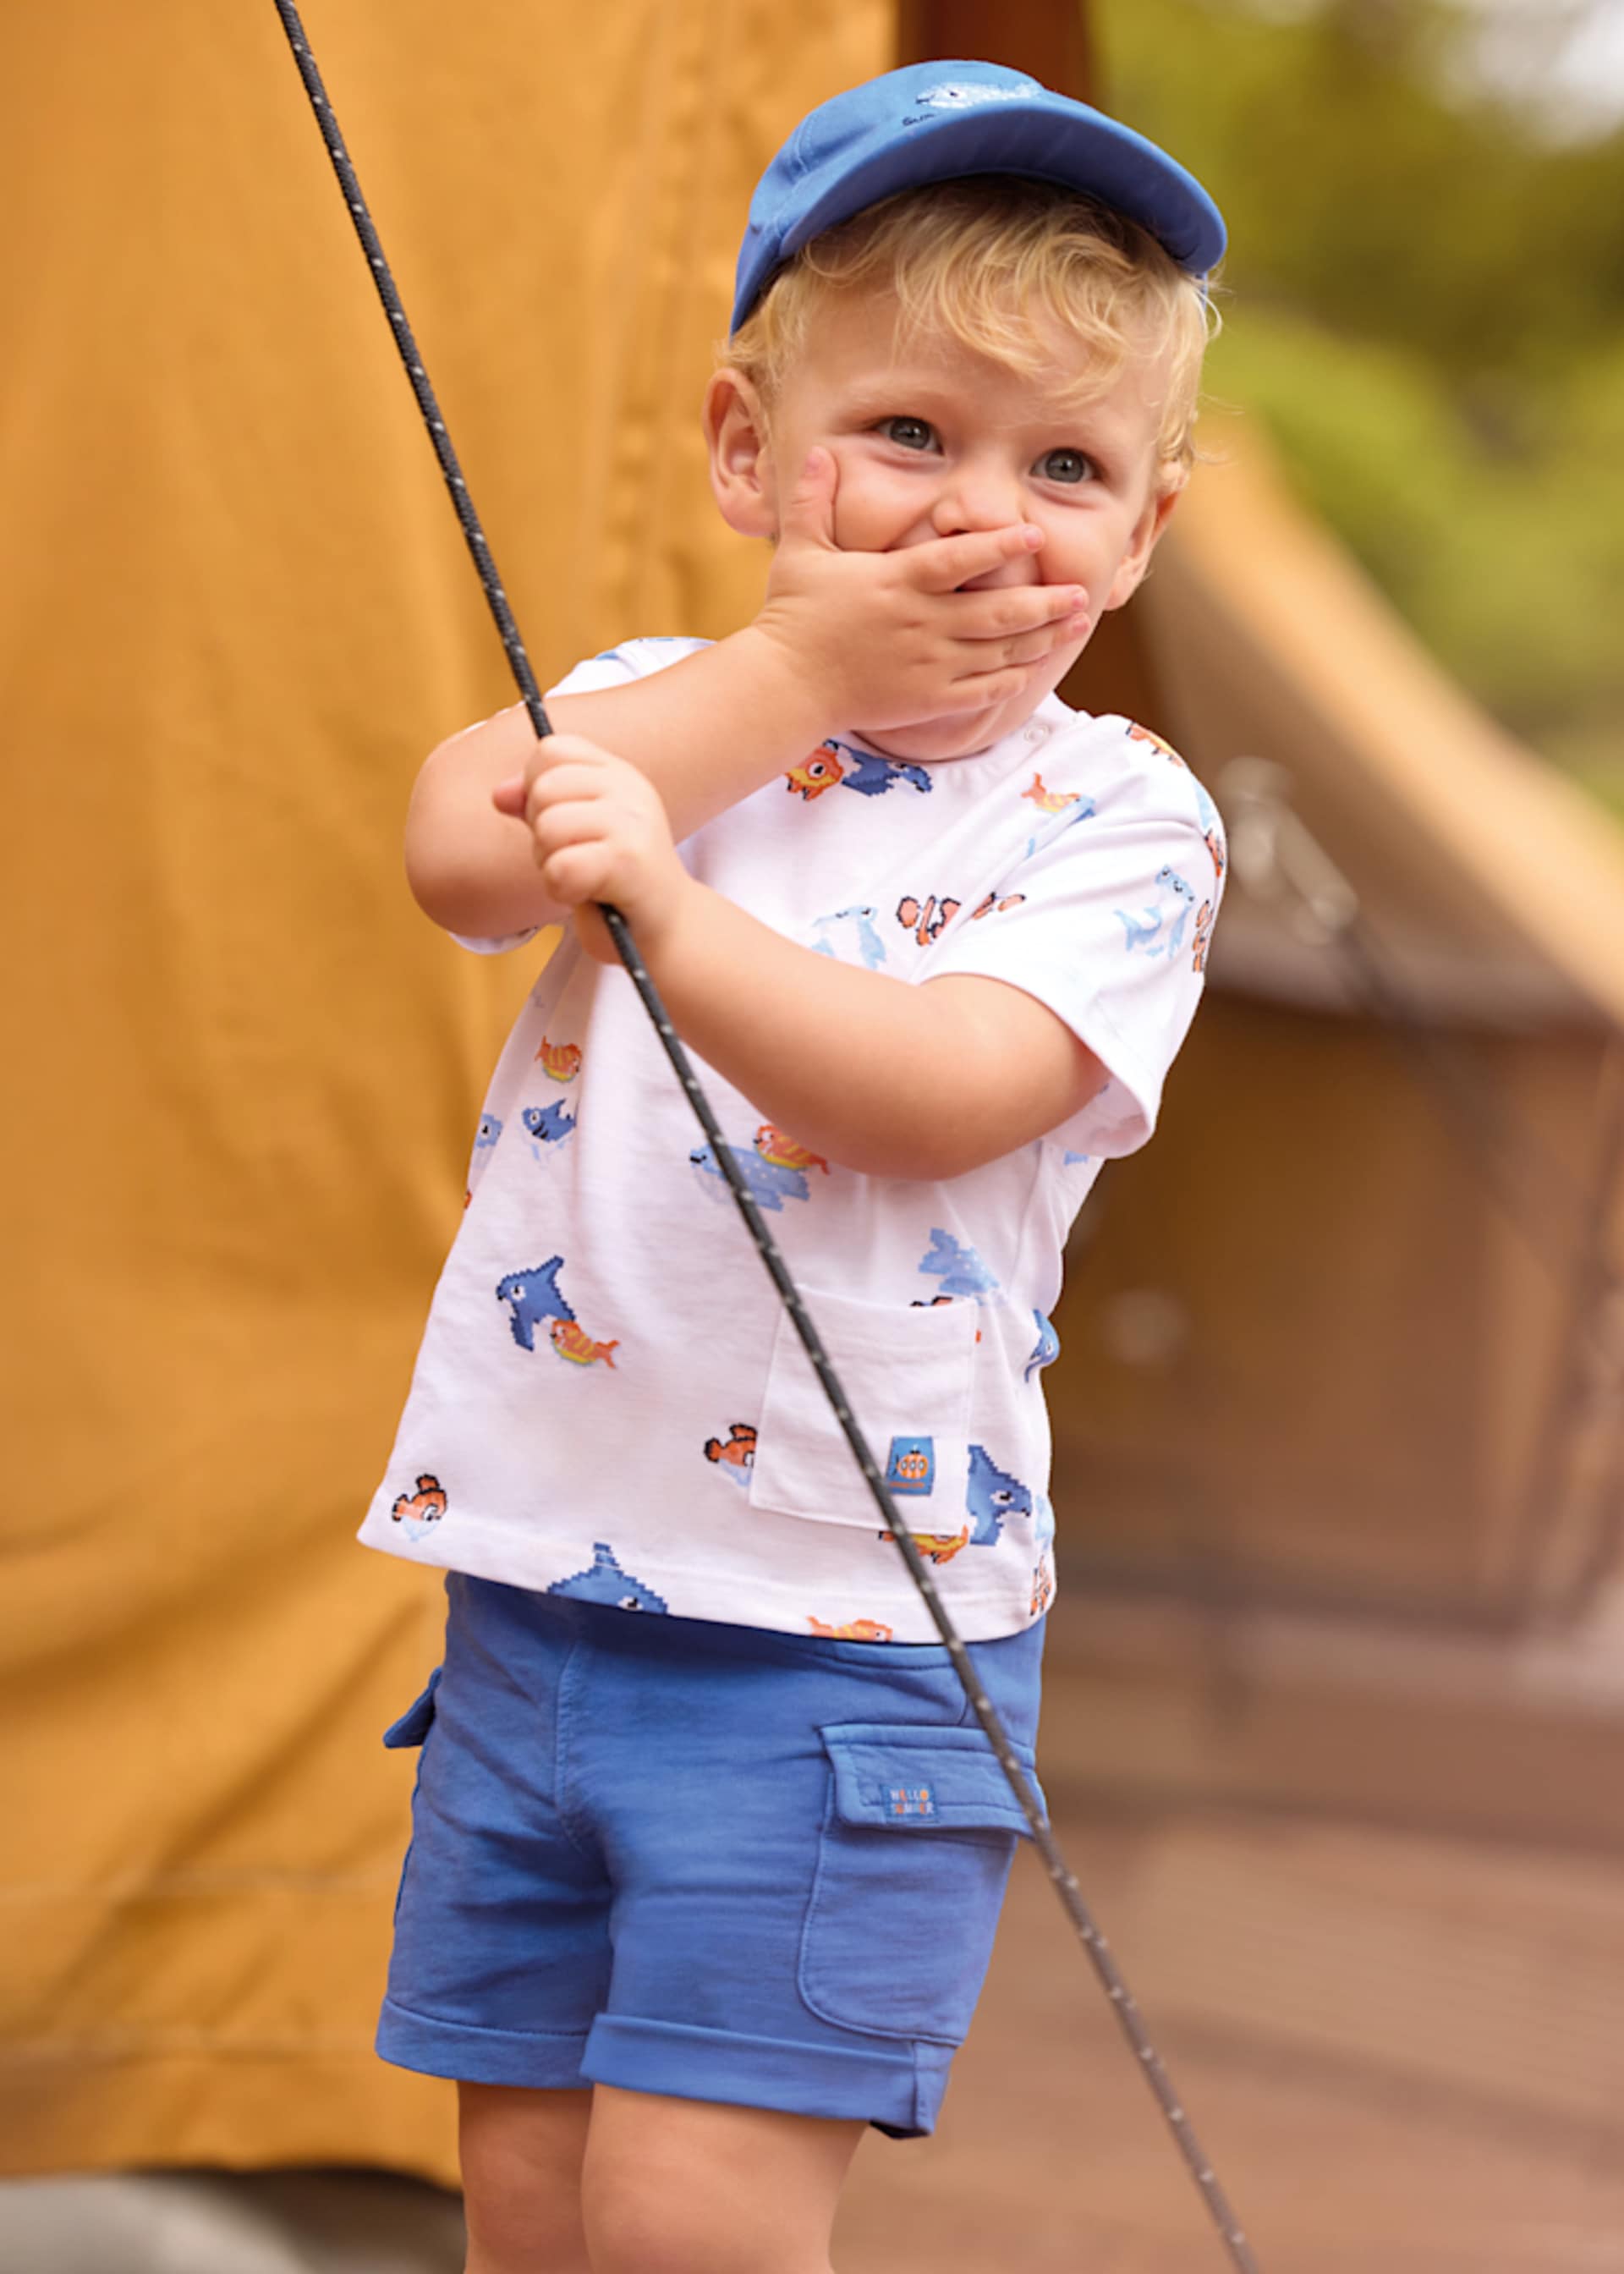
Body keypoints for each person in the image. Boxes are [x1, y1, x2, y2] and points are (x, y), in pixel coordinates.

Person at [359, 59, 1227, 2274]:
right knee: (530, 2208)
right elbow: (465, 850)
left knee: (686, 2223)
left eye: (1066, 466)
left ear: (1140, 533)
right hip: (547, 1592)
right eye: (911, 434)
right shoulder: (676, 700)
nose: (982, 511)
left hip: (841, 1644)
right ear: (754, 456)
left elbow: (930, 1089)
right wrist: (784, 679)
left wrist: (668, 906)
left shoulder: (1116, 820)